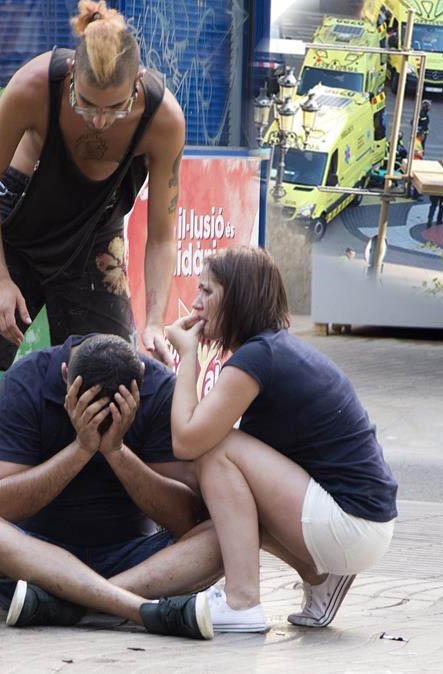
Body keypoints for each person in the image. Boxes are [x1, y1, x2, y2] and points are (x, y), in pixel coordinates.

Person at [0, 0, 186, 569]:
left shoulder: (162, 119)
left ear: (137, 91)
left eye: (114, 109)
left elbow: (164, 234)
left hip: (95, 240)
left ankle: (93, 527)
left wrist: (152, 319)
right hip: (17, 229)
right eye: (87, 106)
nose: (99, 120)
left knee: (108, 377)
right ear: (71, 78)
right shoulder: (33, 87)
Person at [154, 247, 398, 632]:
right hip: (362, 524)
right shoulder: (270, 350)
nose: (197, 304)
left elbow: (188, 441)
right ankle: (321, 580)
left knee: (217, 450)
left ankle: (241, 602)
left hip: (352, 524)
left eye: (207, 292)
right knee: (229, 491)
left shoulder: (257, 358)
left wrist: (188, 359)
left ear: (238, 297)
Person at [0, 334, 221, 639]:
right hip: (37, 562)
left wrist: (116, 452)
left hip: (136, 563)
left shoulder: (160, 388)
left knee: (229, 532)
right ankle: (134, 607)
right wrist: (81, 449)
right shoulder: (26, 381)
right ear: (65, 374)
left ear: (141, 380)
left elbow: (187, 519)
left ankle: (72, 604)